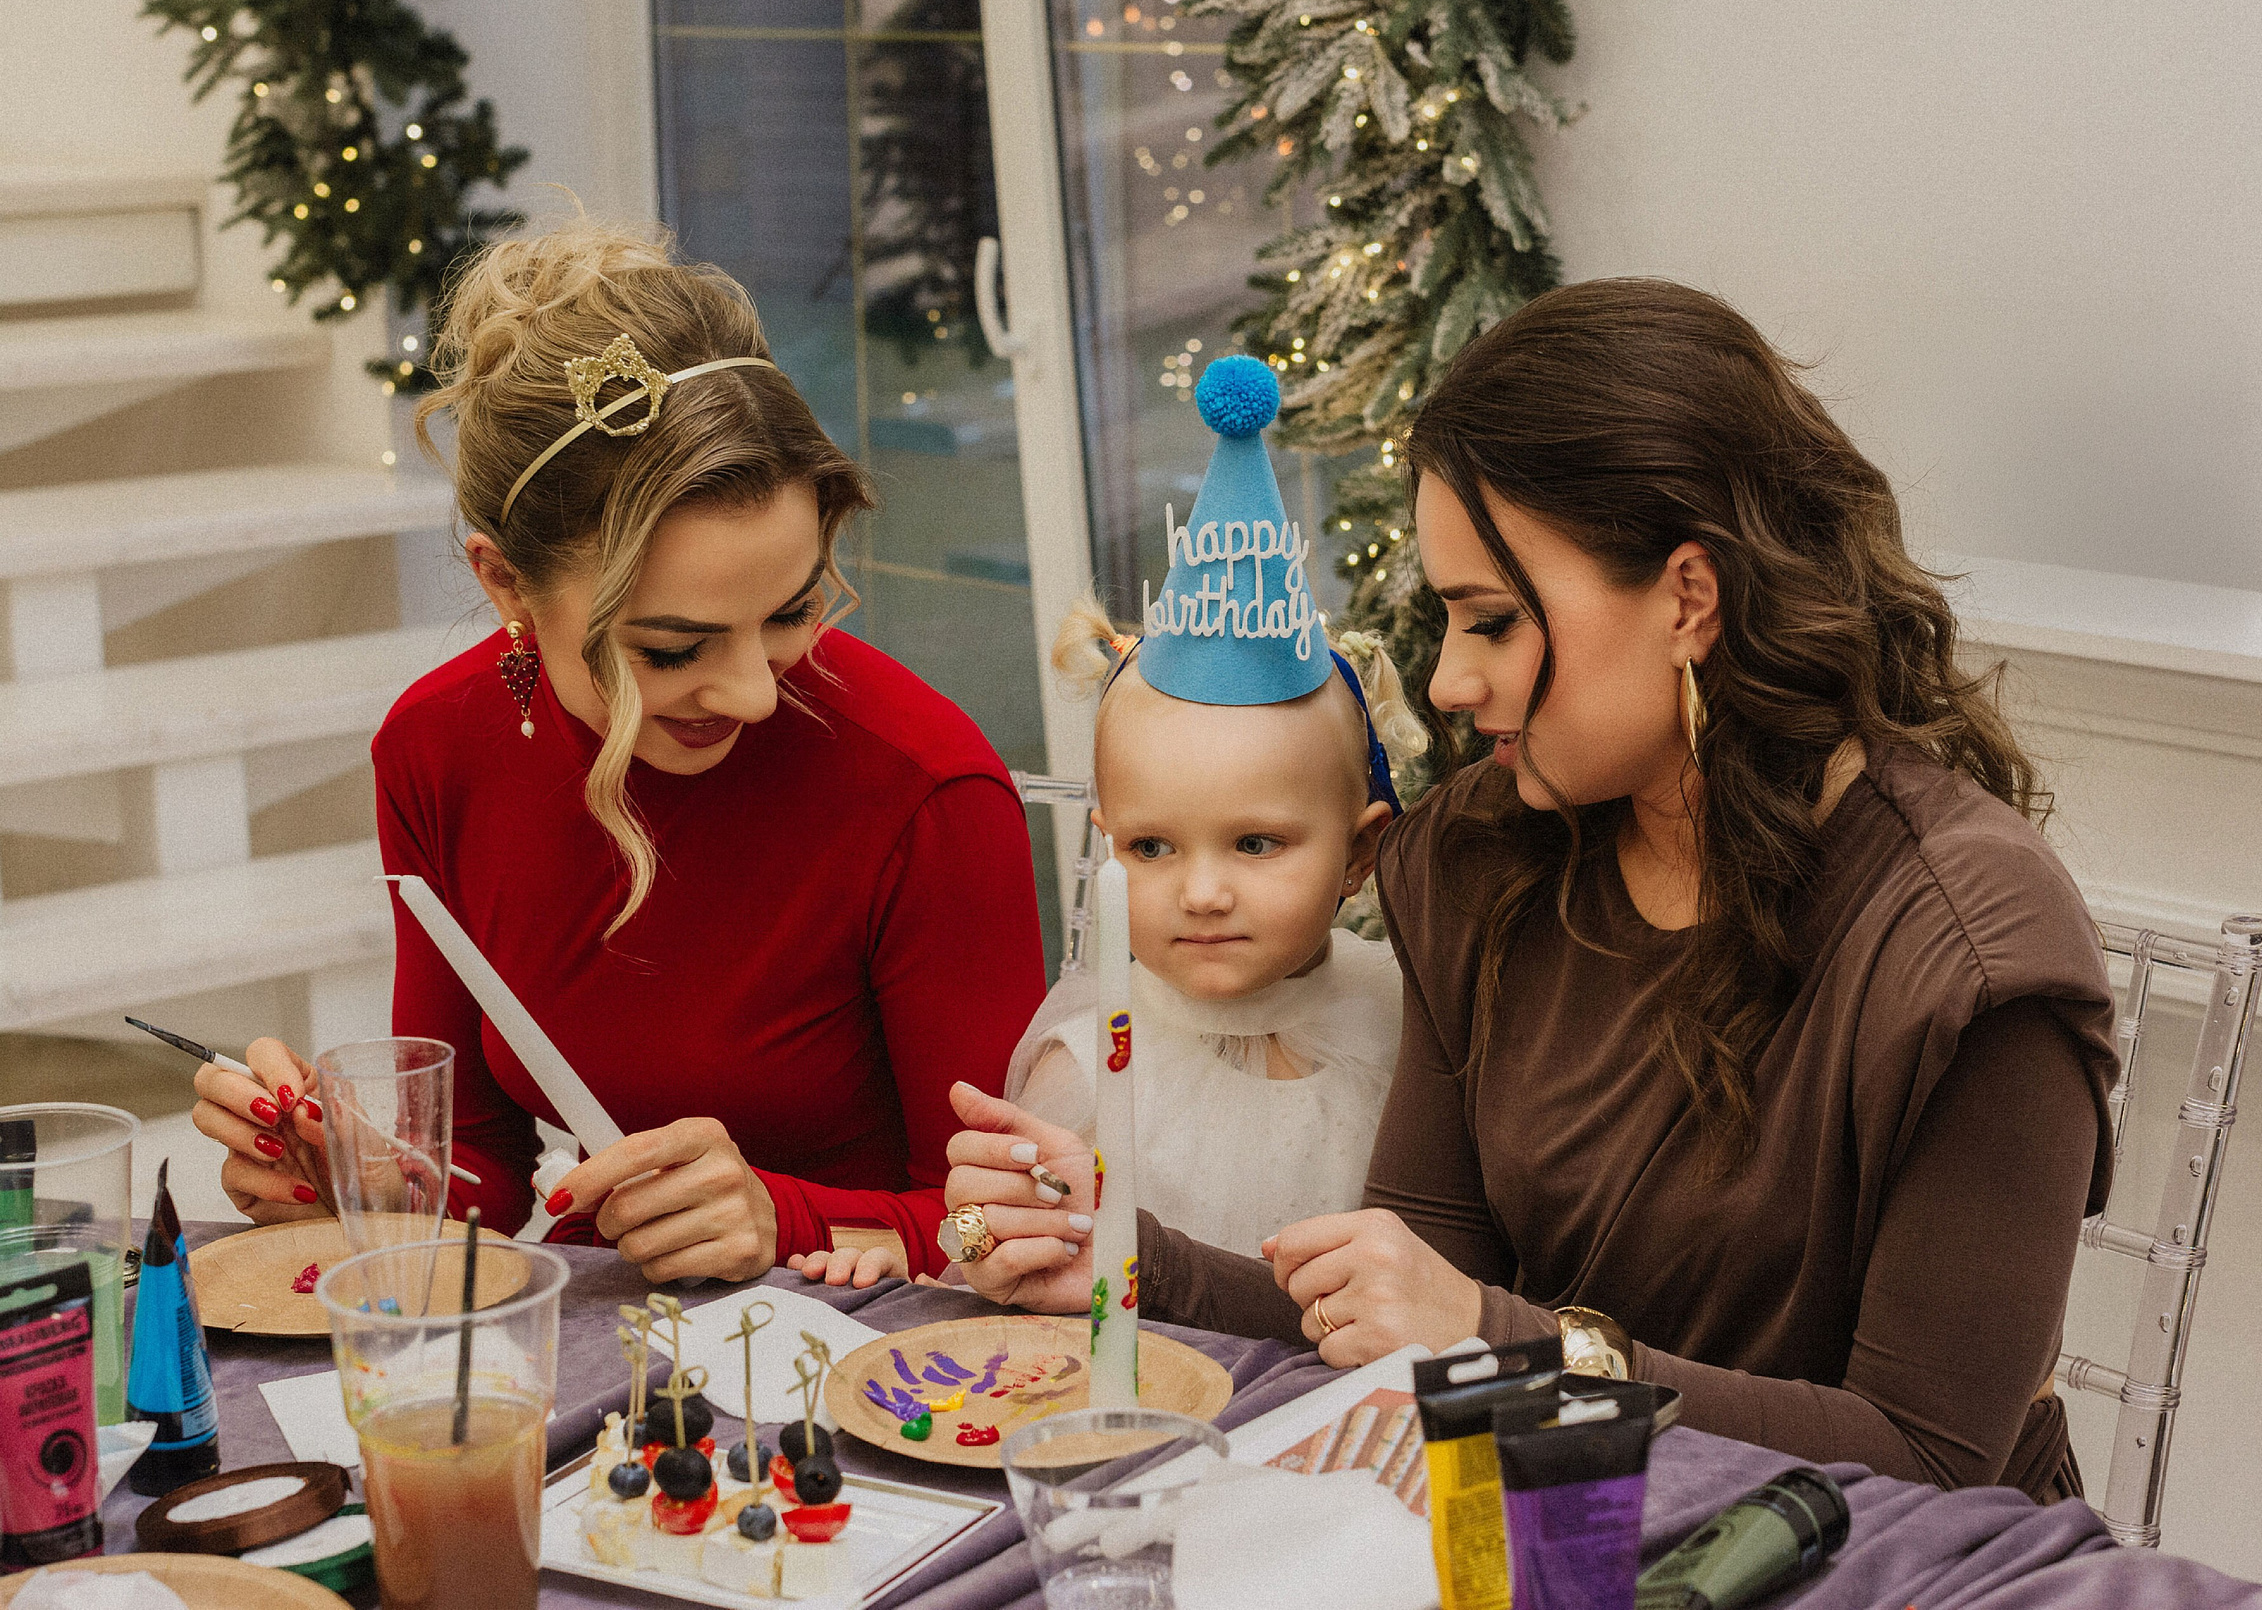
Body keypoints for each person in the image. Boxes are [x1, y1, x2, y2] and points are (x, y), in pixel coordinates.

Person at [935, 279, 2119, 1501]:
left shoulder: (1967, 956)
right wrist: (1129, 1261)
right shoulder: (1481, 862)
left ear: (1687, 599)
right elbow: (1406, 1298)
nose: (1446, 682)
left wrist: (1502, 1342)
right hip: (1558, 1532)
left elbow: (1927, 1461)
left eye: (1492, 623)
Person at [185, 220, 1049, 1285]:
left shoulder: (926, 789)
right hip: (612, 1357)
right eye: (674, 646)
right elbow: (491, 1172)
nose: (751, 693)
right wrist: (358, 1177)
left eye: (791, 612)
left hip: (883, 1385)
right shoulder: (434, 751)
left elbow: (1013, 1227)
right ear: (504, 583)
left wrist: (790, 1224)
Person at [998, 361, 1426, 1260]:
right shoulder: (1083, 1074)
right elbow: (994, 1257)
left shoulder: (1411, 1031)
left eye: (1256, 842)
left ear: (1360, 854)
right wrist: (971, 1232)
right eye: (1151, 845)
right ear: (1105, 840)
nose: (1200, 891)